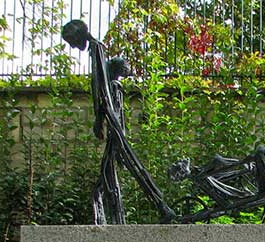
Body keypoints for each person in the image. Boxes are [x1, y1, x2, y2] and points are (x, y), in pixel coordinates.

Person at [62, 20, 178, 223]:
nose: (72, 46)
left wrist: (101, 119)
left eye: (71, 41)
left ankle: (161, 206)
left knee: (130, 165)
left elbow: (102, 88)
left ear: (79, 34)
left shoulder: (97, 49)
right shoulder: (96, 50)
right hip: (112, 119)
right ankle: (116, 220)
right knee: (109, 172)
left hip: (111, 119)